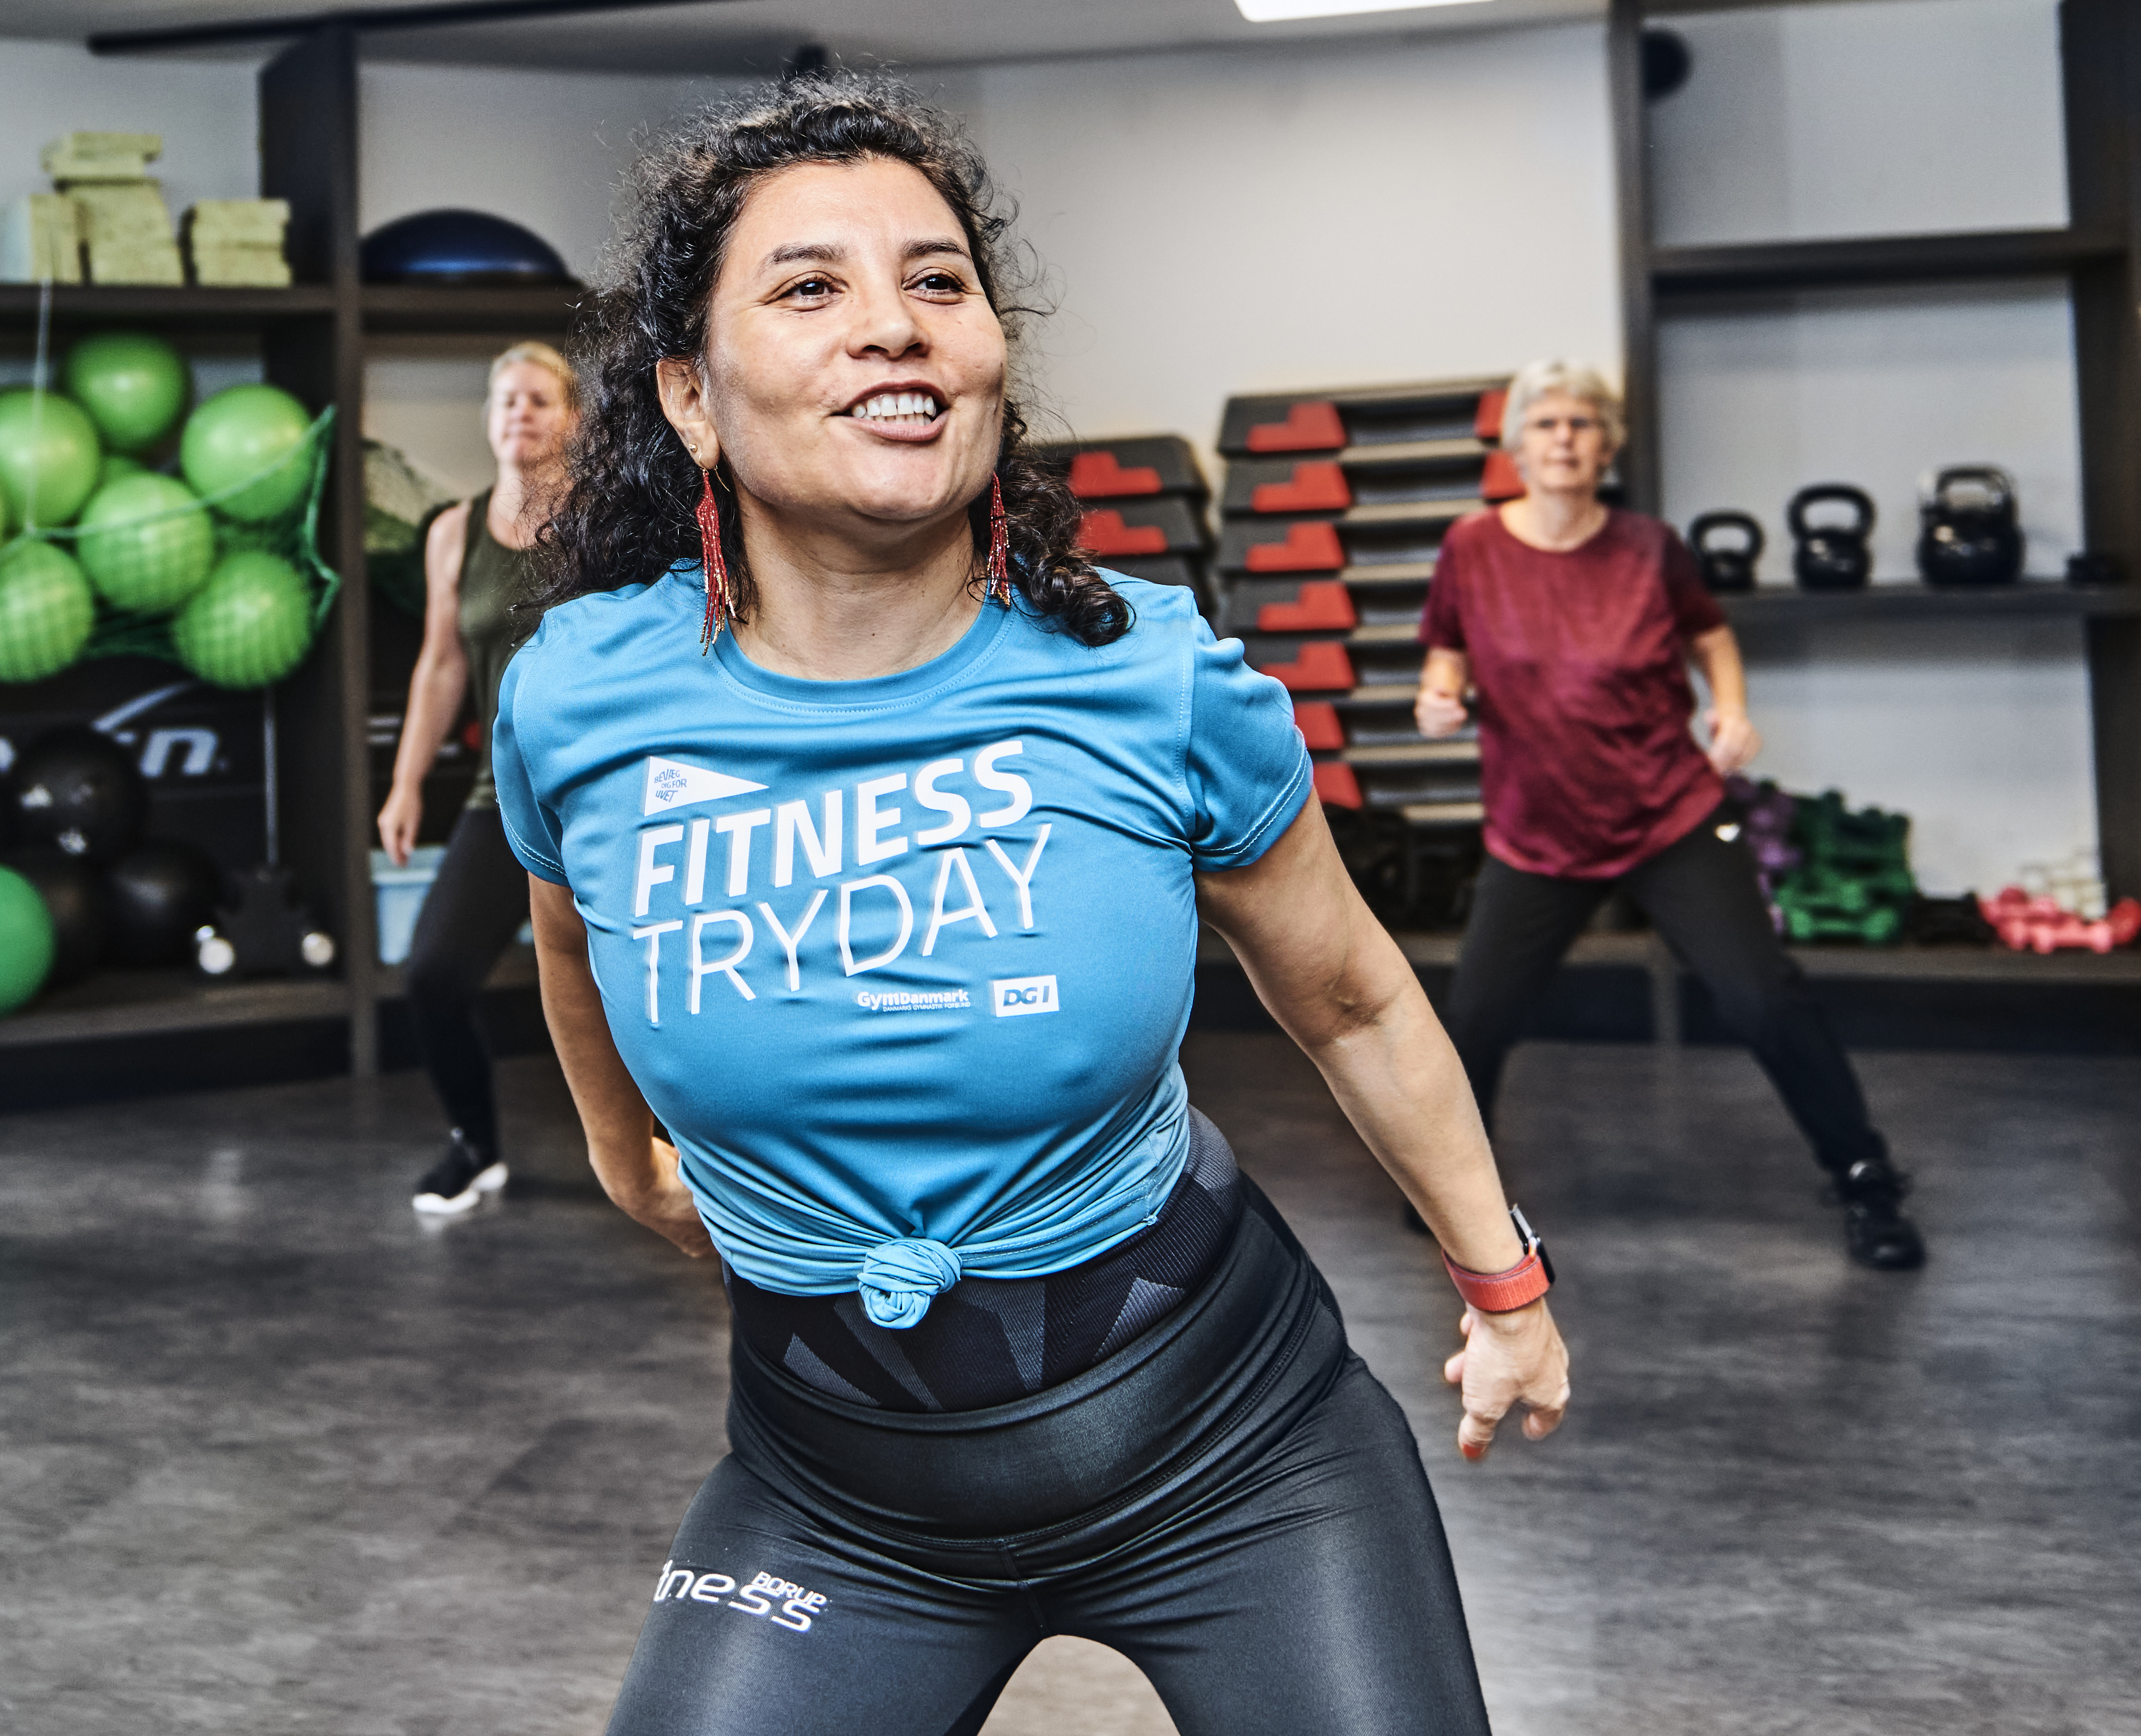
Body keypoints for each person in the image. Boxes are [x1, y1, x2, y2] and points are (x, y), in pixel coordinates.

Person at [502, 77, 1568, 1733]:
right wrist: (621, 1151)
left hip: (1239, 1452)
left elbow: (1352, 997)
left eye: (939, 282)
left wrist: (1504, 1288)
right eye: (812, 287)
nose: (896, 329)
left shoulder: (1147, 679)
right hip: (836, 1490)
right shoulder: (582, 694)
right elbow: (570, 933)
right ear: (692, 399)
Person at [1415, 361, 1927, 1271]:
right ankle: (1456, 1193)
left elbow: (1708, 634)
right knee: (1476, 1017)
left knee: (1760, 998)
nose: (1564, 436)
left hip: (1667, 814)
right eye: (1545, 423)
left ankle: (1865, 1177)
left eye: (1581, 423)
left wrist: (1729, 706)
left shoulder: (1650, 548)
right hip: (1536, 829)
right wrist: (1439, 692)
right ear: (1517, 447)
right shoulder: (1471, 549)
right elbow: (1447, 644)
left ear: (1606, 446)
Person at [375, 341, 577, 1215]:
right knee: (432, 975)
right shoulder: (453, 530)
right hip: (506, 794)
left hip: (605, 789)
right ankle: (474, 1144)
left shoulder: (604, 518)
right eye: (505, 401)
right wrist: (405, 783)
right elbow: (439, 666)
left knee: (646, 985)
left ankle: (690, 1161)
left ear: (573, 419)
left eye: (539, 400)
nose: (520, 414)